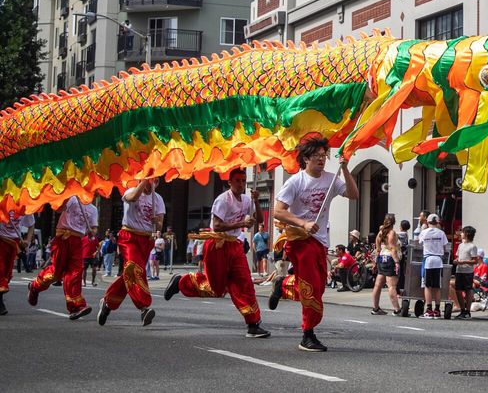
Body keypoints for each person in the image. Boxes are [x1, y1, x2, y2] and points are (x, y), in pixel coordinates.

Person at [269, 137, 359, 352]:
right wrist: (303, 223)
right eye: (317, 156)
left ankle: (283, 285)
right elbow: (278, 210)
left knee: (317, 286)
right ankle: (307, 334)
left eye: (323, 155)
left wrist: (345, 168)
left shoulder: (330, 179)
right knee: (312, 288)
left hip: (320, 241)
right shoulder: (296, 182)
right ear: (306, 158)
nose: (321, 159)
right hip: (300, 240)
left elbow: (354, 195)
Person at [164, 168, 269, 338]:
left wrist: (256, 201)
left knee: (245, 284)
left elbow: (260, 220)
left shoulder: (246, 200)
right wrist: (241, 223)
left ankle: (253, 323)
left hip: (235, 246)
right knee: (217, 288)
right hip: (217, 245)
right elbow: (218, 225)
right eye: (237, 181)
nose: (241, 184)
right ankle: (183, 281)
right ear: (230, 182)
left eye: (243, 180)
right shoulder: (223, 200)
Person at [98, 177, 165, 327]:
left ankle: (108, 303)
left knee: (131, 274)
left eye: (157, 180)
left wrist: (156, 222)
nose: (154, 182)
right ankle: (143, 307)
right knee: (134, 269)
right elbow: (132, 198)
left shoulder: (158, 199)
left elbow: (160, 225)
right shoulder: (131, 191)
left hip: (146, 239)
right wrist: (144, 181)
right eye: (152, 179)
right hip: (129, 237)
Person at [27, 197, 96, 319]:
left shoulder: (93, 209)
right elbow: (58, 209)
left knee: (75, 272)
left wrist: (92, 232)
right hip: (63, 238)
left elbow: (93, 227)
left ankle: (76, 306)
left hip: (77, 242)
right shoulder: (73, 198)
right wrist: (65, 197)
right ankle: (35, 286)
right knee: (56, 273)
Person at [0, 212, 36, 315]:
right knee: (0, 270)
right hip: (1, 239)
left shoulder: (24, 206)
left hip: (13, 243)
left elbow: (31, 224)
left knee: (7, 274)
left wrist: (27, 241)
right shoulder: (2, 202)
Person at [418, 213, 449, 319]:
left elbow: (420, 244)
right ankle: (437, 309)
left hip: (428, 261)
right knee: (437, 286)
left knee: (427, 286)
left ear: (428, 222)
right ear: (438, 222)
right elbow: (445, 249)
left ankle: (429, 309)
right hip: (438, 261)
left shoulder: (423, 232)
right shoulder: (442, 233)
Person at [371, 214, 401, 316]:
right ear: (394, 222)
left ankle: (375, 308)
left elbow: (377, 249)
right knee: (392, 286)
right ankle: (397, 310)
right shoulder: (391, 233)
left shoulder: (380, 233)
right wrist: (396, 262)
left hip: (381, 259)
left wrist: (375, 262)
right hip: (389, 259)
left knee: (377, 285)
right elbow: (392, 249)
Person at [452, 226, 478, 320]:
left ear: (466, 234)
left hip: (468, 271)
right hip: (459, 270)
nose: (460, 233)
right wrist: (456, 261)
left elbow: (475, 261)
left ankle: (467, 311)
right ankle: (462, 310)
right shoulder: (460, 245)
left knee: (468, 290)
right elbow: (458, 257)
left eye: (462, 232)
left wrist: (463, 262)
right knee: (458, 290)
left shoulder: (472, 246)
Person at [397, 220, 411, 295]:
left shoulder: (402, 234)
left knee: (399, 272)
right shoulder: (406, 234)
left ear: (402, 226)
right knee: (402, 271)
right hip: (404, 255)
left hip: (400, 254)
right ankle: (401, 287)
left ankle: (399, 288)